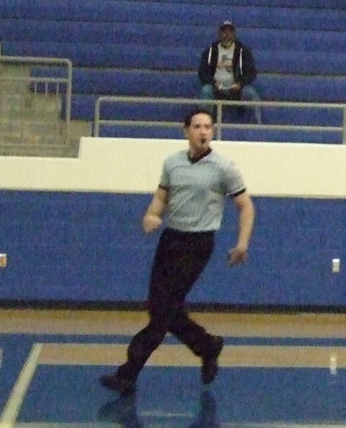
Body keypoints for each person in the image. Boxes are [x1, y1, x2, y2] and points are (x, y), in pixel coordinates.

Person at [99, 108, 253, 397]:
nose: (203, 131)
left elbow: (245, 205)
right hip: (170, 239)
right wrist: (150, 215)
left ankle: (128, 373)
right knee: (160, 308)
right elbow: (161, 196)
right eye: (197, 126)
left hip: (198, 244)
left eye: (208, 126)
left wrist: (242, 242)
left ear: (213, 131)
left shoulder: (224, 167)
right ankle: (208, 346)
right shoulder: (172, 163)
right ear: (186, 131)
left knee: (163, 312)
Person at [197, 20, 262, 125]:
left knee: (250, 93)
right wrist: (214, 83)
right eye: (224, 31)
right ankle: (203, 123)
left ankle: (257, 125)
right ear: (219, 33)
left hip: (237, 88)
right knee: (206, 90)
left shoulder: (243, 51)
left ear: (234, 34)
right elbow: (202, 72)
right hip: (216, 87)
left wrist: (240, 84)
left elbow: (251, 73)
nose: (227, 35)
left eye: (229, 32)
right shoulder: (210, 51)